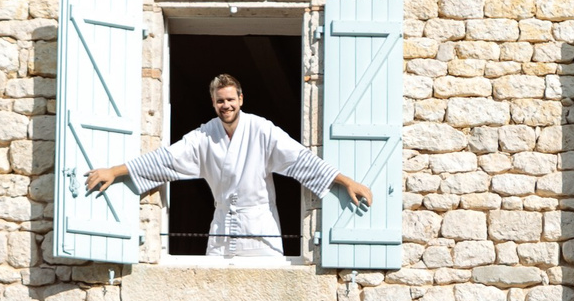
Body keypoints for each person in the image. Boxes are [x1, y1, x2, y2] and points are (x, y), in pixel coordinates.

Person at [85, 74, 372, 257]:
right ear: (213, 103)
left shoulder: (262, 130)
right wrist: (115, 171)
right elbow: (164, 161)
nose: (226, 105)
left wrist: (347, 182)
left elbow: (301, 160)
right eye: (220, 101)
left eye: (231, 100)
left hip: (260, 229)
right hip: (222, 229)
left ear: (241, 99)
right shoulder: (203, 136)